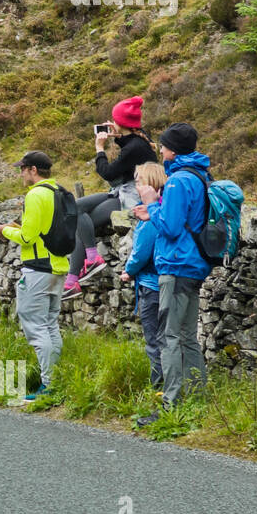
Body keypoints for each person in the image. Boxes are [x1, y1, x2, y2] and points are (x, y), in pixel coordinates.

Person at [132, 123, 212, 427]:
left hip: (176, 266)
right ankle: (197, 398)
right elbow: (179, 219)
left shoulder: (178, 181)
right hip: (194, 266)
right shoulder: (199, 175)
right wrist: (152, 211)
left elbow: (171, 228)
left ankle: (171, 404)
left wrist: (152, 203)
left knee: (168, 337)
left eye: (163, 145)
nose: (160, 150)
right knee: (188, 337)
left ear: (173, 149)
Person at [0, 151, 68, 400]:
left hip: (37, 268)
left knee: (36, 327)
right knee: (50, 324)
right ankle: (56, 380)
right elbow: (42, 229)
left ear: (33, 170)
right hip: (58, 266)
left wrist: (6, 231)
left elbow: (28, 238)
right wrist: (18, 228)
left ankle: (48, 385)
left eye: (22, 169)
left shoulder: (35, 195)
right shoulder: (59, 192)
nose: (20, 174)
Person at [63, 96, 158, 298]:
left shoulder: (134, 148)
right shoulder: (139, 139)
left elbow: (108, 172)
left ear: (121, 123)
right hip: (122, 190)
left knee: (80, 215)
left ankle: (89, 261)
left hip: (131, 196)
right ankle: (77, 274)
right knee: (77, 208)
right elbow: (129, 142)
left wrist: (99, 149)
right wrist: (117, 134)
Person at [120, 163, 167, 389]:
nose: (136, 186)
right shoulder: (164, 209)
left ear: (149, 183)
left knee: (154, 340)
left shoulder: (151, 215)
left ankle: (159, 388)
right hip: (162, 284)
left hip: (151, 285)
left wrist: (128, 271)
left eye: (138, 181)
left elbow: (142, 251)